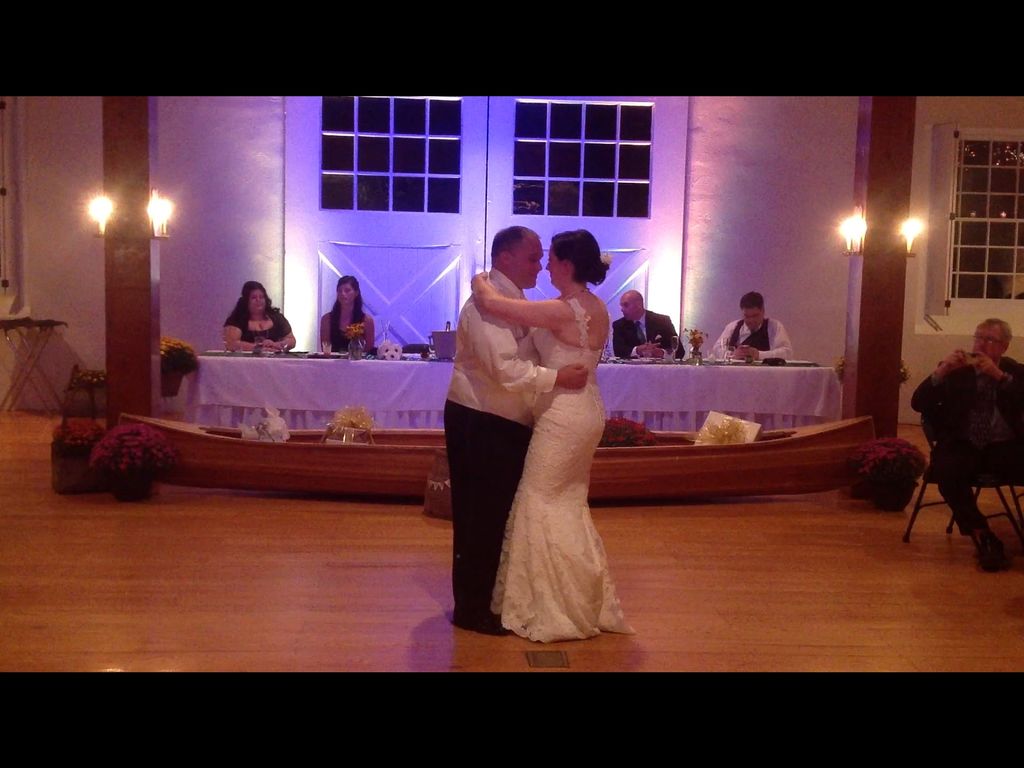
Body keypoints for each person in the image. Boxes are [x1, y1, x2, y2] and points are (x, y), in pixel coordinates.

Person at [471, 229, 634, 642]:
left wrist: (478, 278)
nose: (544, 266)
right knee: (568, 503)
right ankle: (579, 596)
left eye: (551, 259)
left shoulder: (564, 310)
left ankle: (553, 604)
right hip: (586, 410)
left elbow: (491, 303)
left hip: (563, 415)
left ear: (566, 265)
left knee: (539, 499)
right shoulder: (595, 307)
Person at [444, 226, 589, 636]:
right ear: (504, 258)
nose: (540, 265)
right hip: (481, 416)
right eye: (533, 257)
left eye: (544, 257)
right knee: (479, 515)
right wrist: (557, 378)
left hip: (501, 419)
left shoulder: (510, 299)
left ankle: (487, 598)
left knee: (494, 515)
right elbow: (504, 370)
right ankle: (471, 609)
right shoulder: (487, 302)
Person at [910, 318, 1024, 572]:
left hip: (1004, 446)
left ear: (1004, 347)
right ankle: (982, 534)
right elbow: (918, 404)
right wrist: (941, 371)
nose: (980, 344)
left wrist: (1000, 377)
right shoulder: (958, 374)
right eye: (977, 337)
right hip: (965, 444)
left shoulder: (1014, 372)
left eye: (989, 339)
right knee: (946, 471)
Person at [710, 291, 793, 361]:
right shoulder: (732, 327)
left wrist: (759, 355)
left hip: (765, 376)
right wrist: (732, 355)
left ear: (763, 311)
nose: (751, 320)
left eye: (755, 316)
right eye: (747, 316)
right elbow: (717, 349)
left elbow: (787, 353)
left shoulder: (774, 327)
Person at [222, 281, 296, 352]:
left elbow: (291, 340)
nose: (258, 300)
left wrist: (277, 345)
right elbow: (232, 344)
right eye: (254, 298)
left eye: (261, 297)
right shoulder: (236, 319)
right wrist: (259, 348)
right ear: (246, 301)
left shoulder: (277, 318)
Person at [611, 290, 678, 359]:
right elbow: (618, 352)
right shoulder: (619, 325)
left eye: (626, 305)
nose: (622, 309)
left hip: (660, 368)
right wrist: (637, 350)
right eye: (621, 306)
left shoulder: (662, 321)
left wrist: (662, 353)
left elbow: (679, 350)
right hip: (632, 369)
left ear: (638, 305)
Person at [319, 275, 376, 353]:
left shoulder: (367, 320)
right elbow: (325, 348)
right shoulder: (327, 319)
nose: (342, 294)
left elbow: (368, 349)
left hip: (358, 363)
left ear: (356, 293)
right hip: (333, 363)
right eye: (339, 291)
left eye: (347, 290)